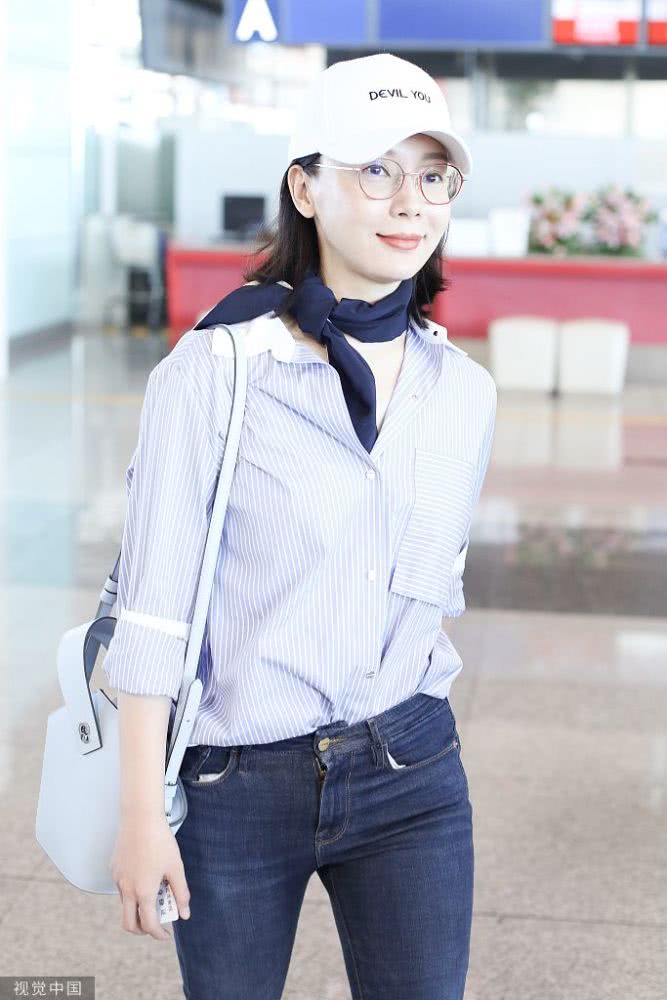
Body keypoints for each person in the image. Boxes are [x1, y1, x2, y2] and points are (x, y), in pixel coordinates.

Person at [105, 51, 497, 1000]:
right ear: (306, 188)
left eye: (432, 176)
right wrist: (139, 814)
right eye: (376, 170)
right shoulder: (215, 371)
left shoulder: (462, 391)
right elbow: (152, 611)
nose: (408, 203)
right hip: (235, 780)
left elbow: (427, 584)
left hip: (410, 767)